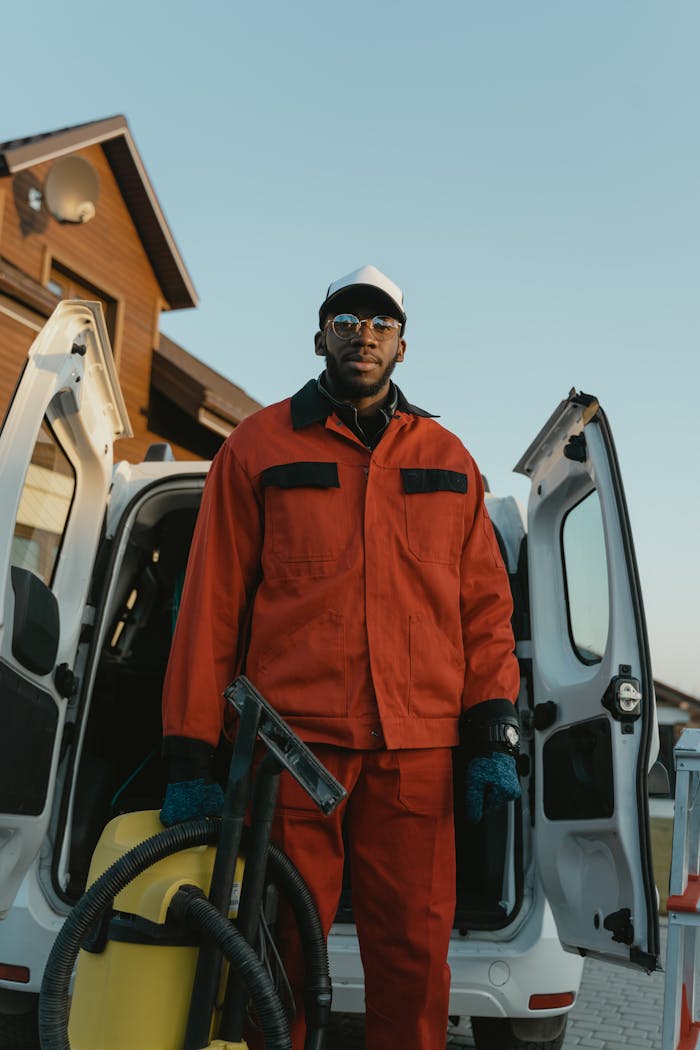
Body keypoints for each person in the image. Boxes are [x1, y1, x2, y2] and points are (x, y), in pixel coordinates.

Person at [160, 265, 522, 1050]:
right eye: (347, 320)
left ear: (403, 346)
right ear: (320, 336)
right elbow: (210, 607)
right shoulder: (257, 447)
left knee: (416, 953)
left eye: (380, 324)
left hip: (416, 749)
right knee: (284, 945)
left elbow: (485, 610)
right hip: (292, 747)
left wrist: (492, 726)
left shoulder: (449, 457)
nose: (363, 334)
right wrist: (190, 751)